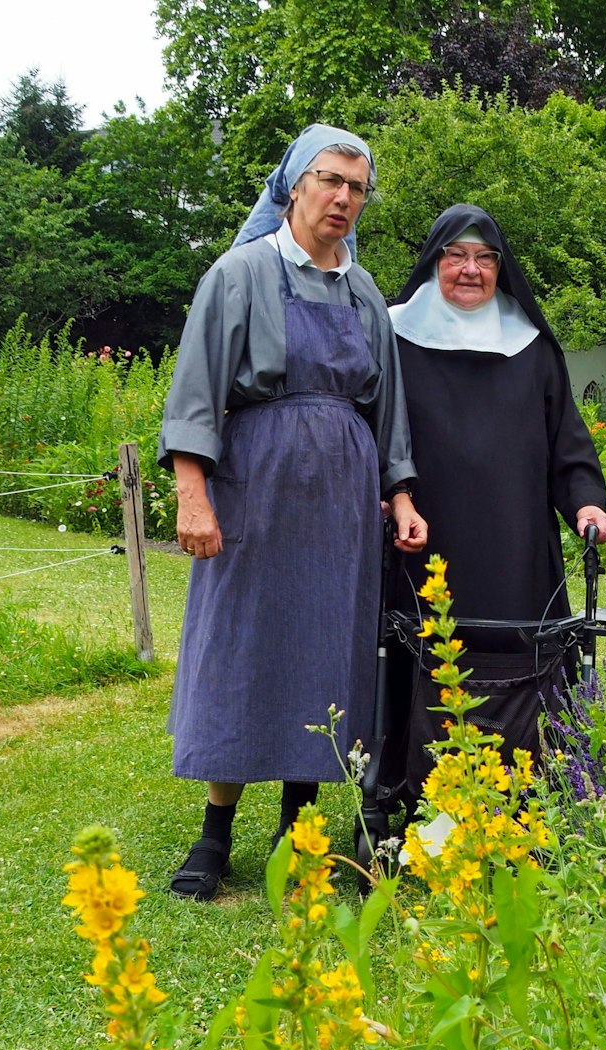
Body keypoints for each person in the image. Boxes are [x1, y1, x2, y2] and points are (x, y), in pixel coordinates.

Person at [157, 124, 427, 901]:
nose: (343, 198)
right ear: (294, 185)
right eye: (329, 180)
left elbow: (389, 407)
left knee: (324, 648)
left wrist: (401, 493)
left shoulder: (365, 291)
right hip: (254, 487)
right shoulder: (239, 274)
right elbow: (198, 390)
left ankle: (298, 827)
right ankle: (215, 836)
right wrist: (192, 493)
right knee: (242, 646)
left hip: (342, 500)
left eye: (357, 187)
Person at [377, 204, 606, 779]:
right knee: (423, 652)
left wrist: (585, 500)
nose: (470, 269)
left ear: (501, 269)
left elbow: (568, 444)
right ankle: (415, 784)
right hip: (424, 539)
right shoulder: (393, 335)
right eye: (456, 255)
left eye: (485, 257)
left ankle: (535, 778)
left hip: (517, 546)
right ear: (434, 261)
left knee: (520, 656)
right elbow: (372, 429)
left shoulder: (530, 345)